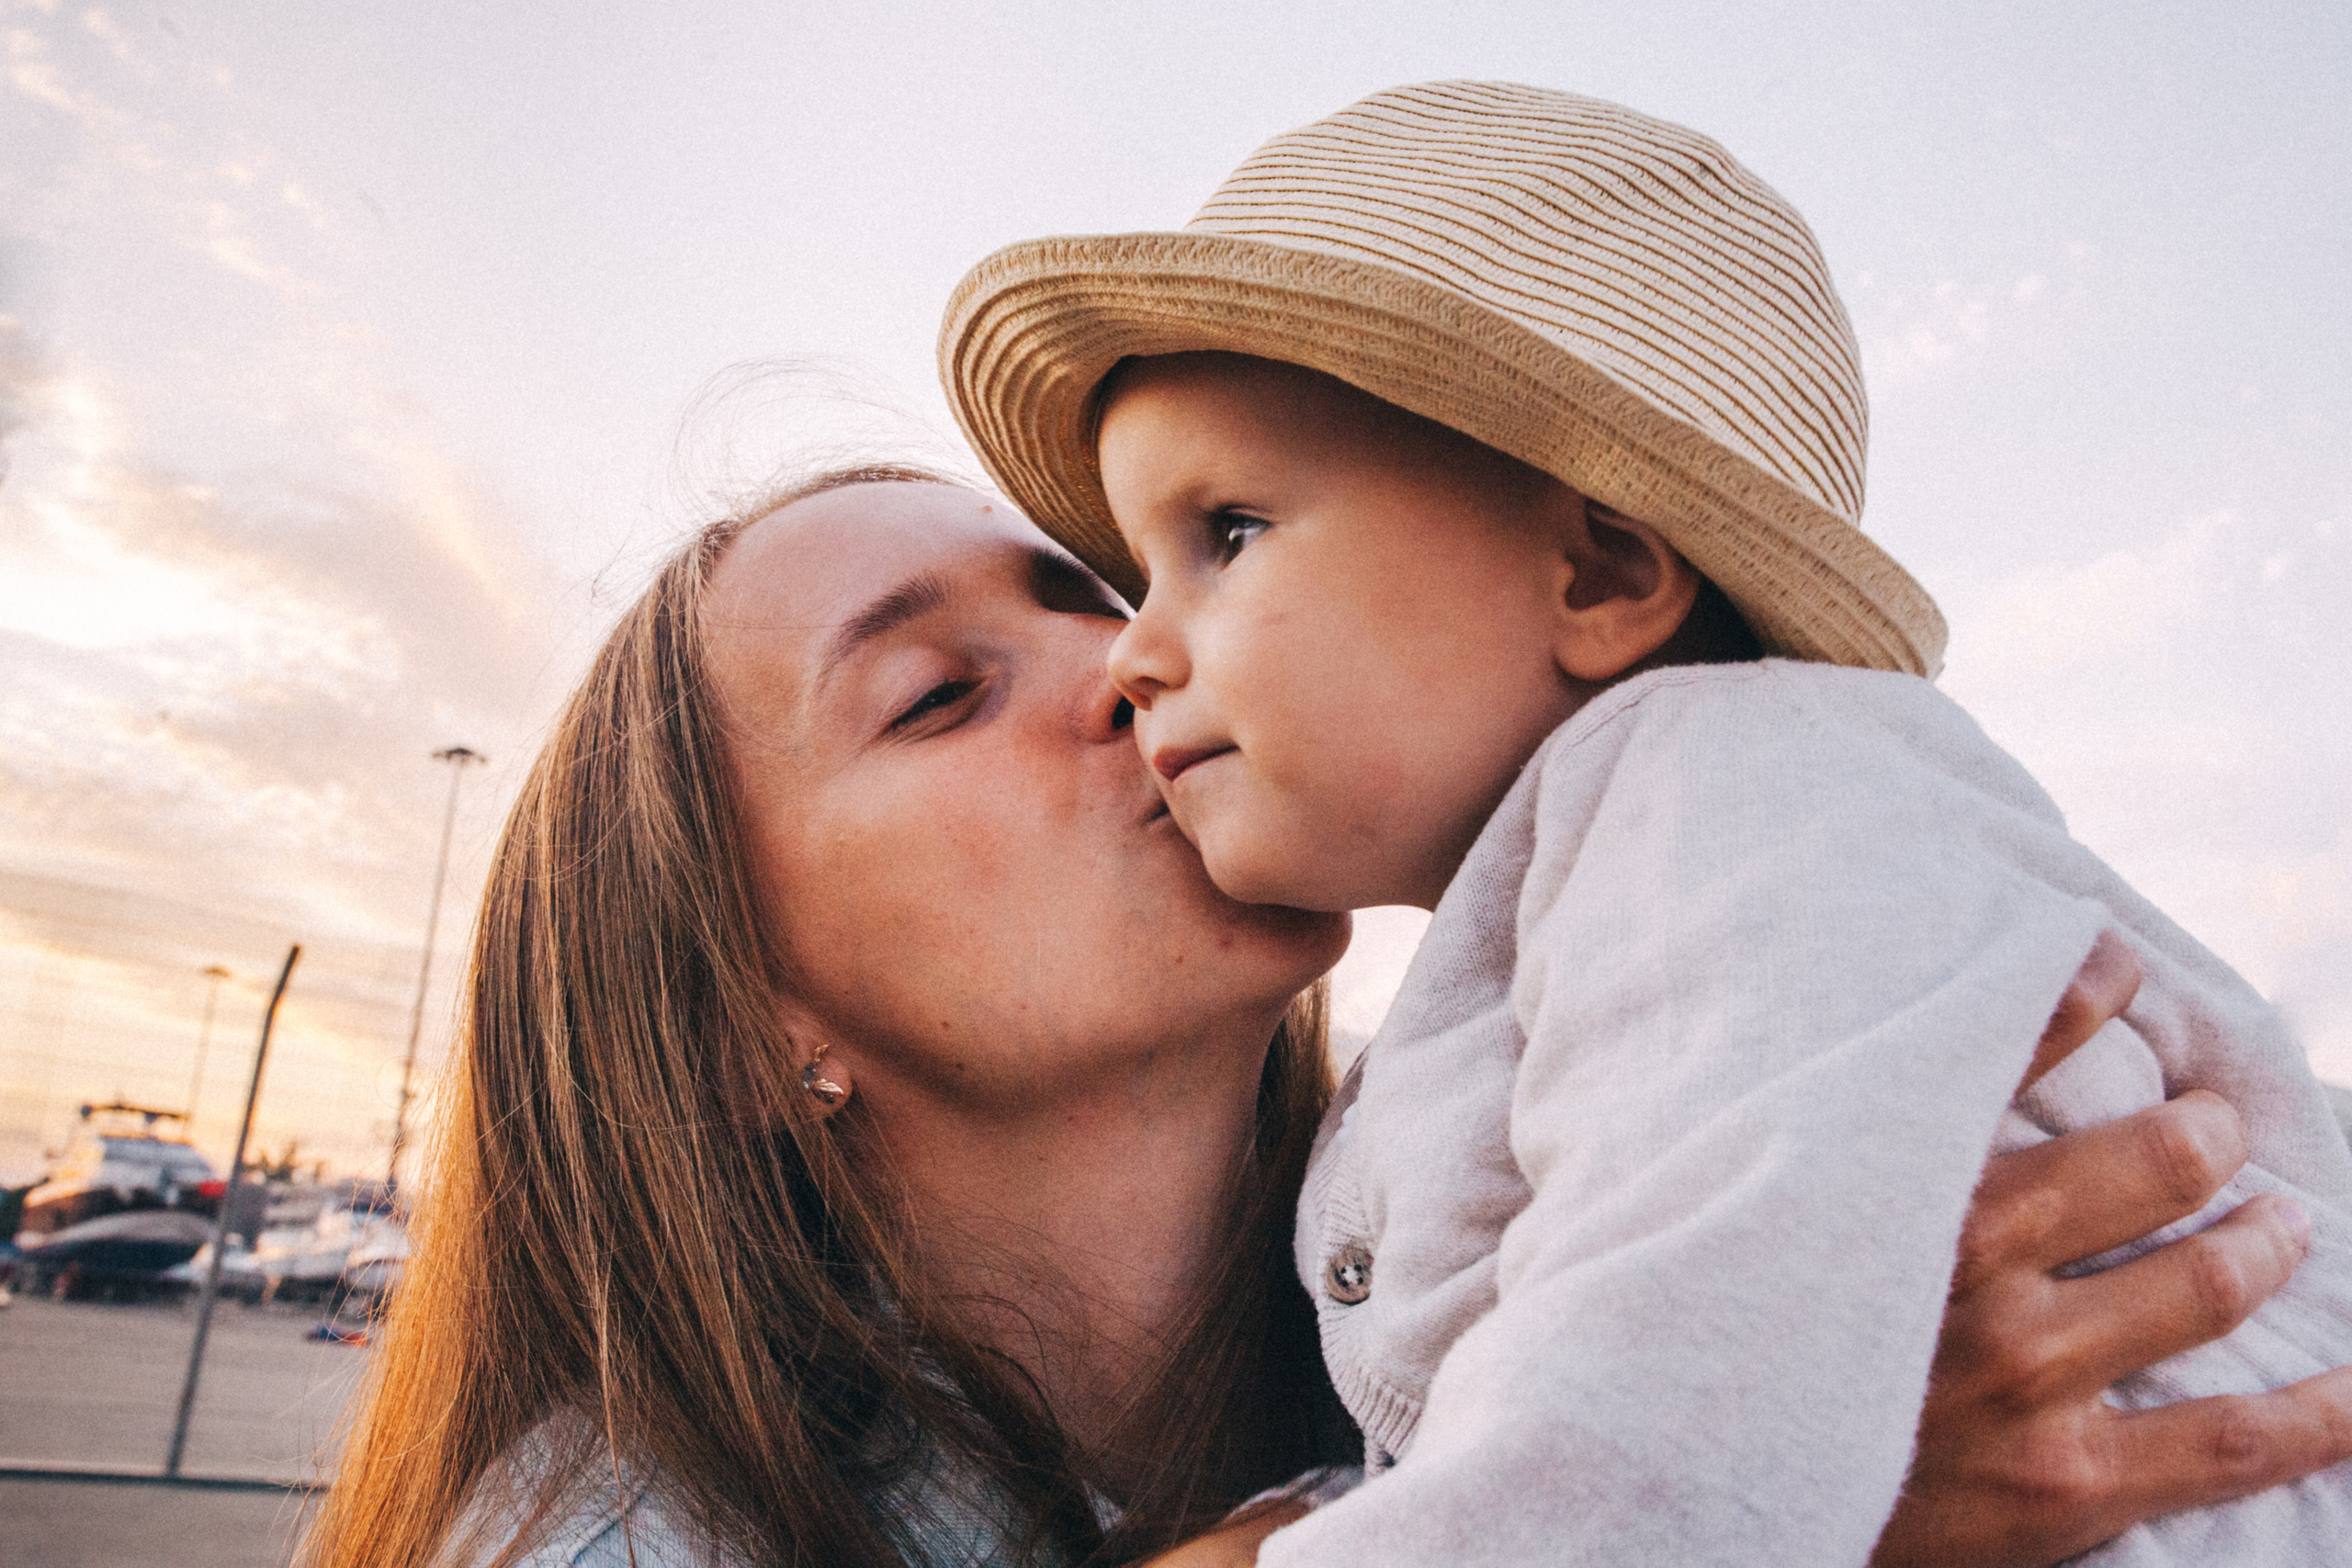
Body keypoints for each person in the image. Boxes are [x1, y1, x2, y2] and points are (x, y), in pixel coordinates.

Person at [305, 469, 2347, 1568]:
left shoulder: (1540, 1222)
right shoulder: (619, 1540)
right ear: (744, 1025)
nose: (1132, 663)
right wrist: (1773, 1491)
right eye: (935, 694)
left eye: (1106, 590)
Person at [935, 83, 2352, 1564]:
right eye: (1139, 574)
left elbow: (1669, 1412)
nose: (1132, 651)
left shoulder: (1746, 795)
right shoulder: (1588, 901)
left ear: (1603, 576)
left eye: (1226, 535)